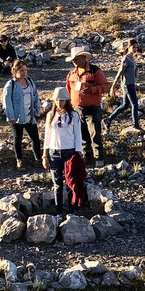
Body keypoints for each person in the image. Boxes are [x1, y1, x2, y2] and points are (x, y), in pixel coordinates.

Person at [64, 47, 110, 166]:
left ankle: (98, 158)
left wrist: (93, 90)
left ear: (84, 58)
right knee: (82, 134)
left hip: (92, 108)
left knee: (94, 133)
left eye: (77, 59)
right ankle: (86, 157)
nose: (74, 61)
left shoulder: (95, 71)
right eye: (73, 59)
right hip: (76, 109)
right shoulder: (71, 73)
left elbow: (106, 86)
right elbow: (68, 90)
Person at [42, 87, 81, 217]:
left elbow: (78, 134)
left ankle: (72, 210)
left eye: (62, 100)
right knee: (57, 184)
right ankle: (59, 212)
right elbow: (47, 136)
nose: (60, 102)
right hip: (54, 152)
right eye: (57, 100)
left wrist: (78, 152)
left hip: (69, 151)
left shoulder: (74, 115)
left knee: (70, 183)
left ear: (67, 100)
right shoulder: (50, 115)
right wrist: (44, 155)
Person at [2, 60, 42, 169]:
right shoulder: (11, 85)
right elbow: (7, 102)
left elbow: (35, 97)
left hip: (30, 116)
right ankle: (19, 160)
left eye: (25, 70)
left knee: (35, 138)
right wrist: (11, 117)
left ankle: (38, 159)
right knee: (18, 139)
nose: (24, 73)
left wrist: (38, 111)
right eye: (21, 70)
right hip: (17, 118)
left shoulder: (30, 82)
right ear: (15, 71)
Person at [107, 38, 141, 132]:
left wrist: (136, 74)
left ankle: (108, 120)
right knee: (134, 104)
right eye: (133, 47)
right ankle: (136, 125)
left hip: (131, 83)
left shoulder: (132, 58)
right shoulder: (126, 58)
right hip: (127, 85)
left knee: (126, 105)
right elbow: (120, 72)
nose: (135, 49)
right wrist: (113, 86)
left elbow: (131, 73)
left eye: (136, 48)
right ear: (129, 47)